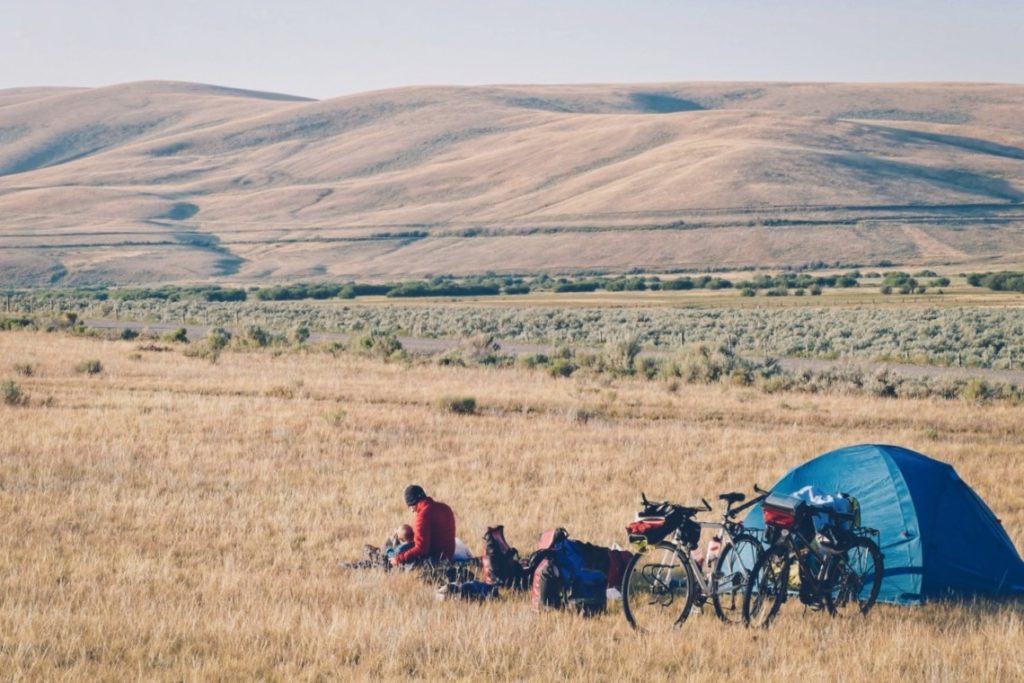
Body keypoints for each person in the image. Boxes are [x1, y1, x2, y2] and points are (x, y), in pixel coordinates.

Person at [391, 485, 456, 567]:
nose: (411, 510)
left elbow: (421, 549)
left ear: (413, 503)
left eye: (409, 506)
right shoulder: (445, 508)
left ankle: (388, 559)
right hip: (449, 555)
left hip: (435, 560)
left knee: (400, 549)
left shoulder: (422, 517)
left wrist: (399, 559)